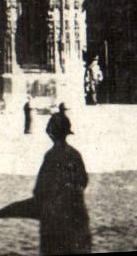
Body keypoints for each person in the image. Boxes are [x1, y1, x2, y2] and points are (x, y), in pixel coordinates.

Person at [30, 109, 91, 255]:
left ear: (51, 134)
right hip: (75, 213)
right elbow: (83, 180)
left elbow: (39, 188)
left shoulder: (50, 157)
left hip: (54, 217)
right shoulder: (75, 154)